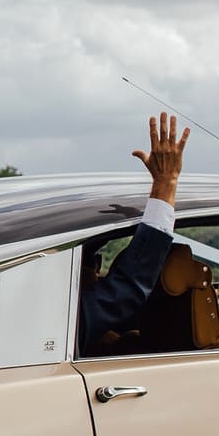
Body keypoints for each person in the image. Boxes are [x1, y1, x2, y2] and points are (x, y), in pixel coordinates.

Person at [78, 113, 198, 353]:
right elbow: (126, 289)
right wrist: (166, 184)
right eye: (92, 260)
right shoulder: (66, 321)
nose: (98, 271)